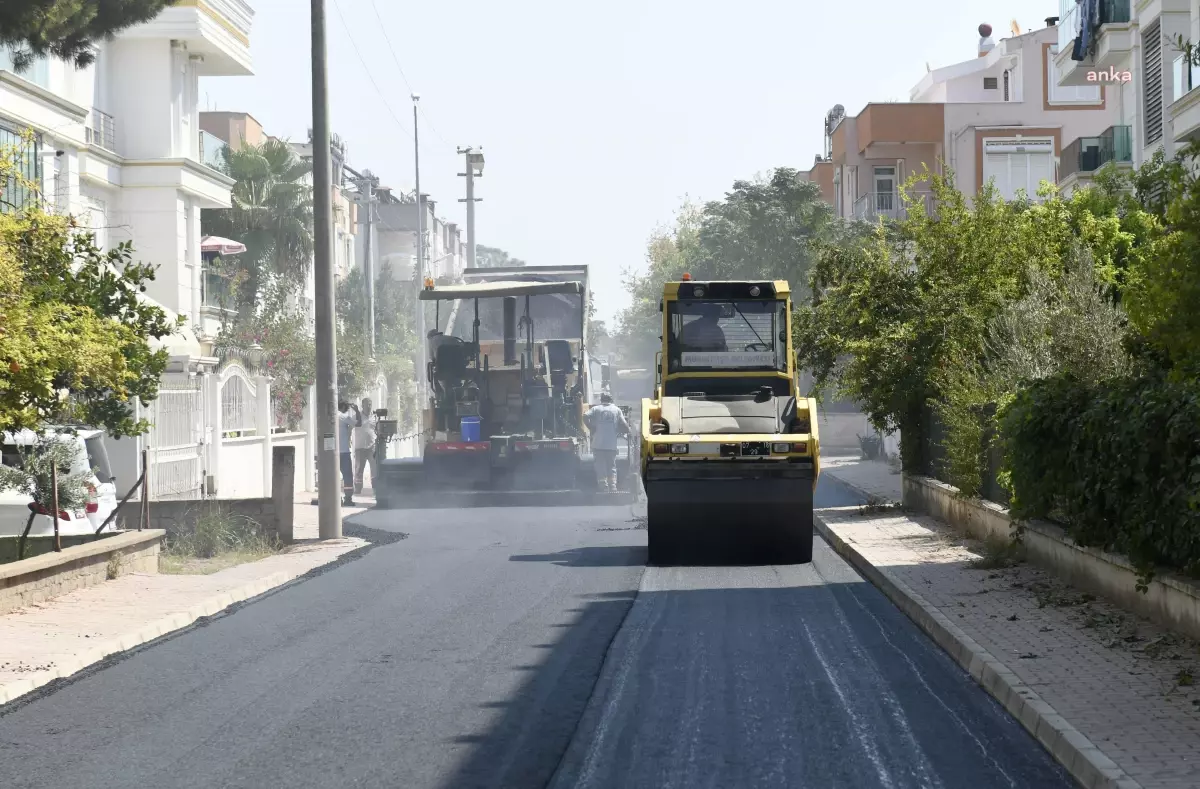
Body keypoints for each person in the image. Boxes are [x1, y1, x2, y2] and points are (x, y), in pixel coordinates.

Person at [585, 392, 631, 492]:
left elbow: (585, 416)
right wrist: (628, 431)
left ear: (601, 399)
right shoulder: (616, 410)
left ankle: (603, 487)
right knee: (611, 466)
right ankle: (613, 486)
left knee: (600, 466)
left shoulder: (596, 409)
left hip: (598, 444)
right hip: (611, 445)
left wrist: (591, 428)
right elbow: (624, 424)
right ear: (611, 400)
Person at [353, 397, 379, 495]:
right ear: (362, 405)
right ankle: (358, 489)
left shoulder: (375, 417)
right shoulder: (357, 416)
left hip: (372, 447)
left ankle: (375, 489)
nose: (369, 406)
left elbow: (377, 429)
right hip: (360, 448)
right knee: (359, 469)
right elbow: (350, 426)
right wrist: (347, 438)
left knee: (374, 469)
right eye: (367, 404)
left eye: (370, 404)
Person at [337, 401, 361, 506]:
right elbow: (359, 423)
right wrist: (357, 411)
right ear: (343, 408)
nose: (347, 411)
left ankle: (334, 498)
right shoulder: (343, 416)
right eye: (346, 409)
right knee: (347, 476)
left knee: (332, 476)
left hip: (330, 452)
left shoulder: (330, 416)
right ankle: (348, 499)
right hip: (343, 452)